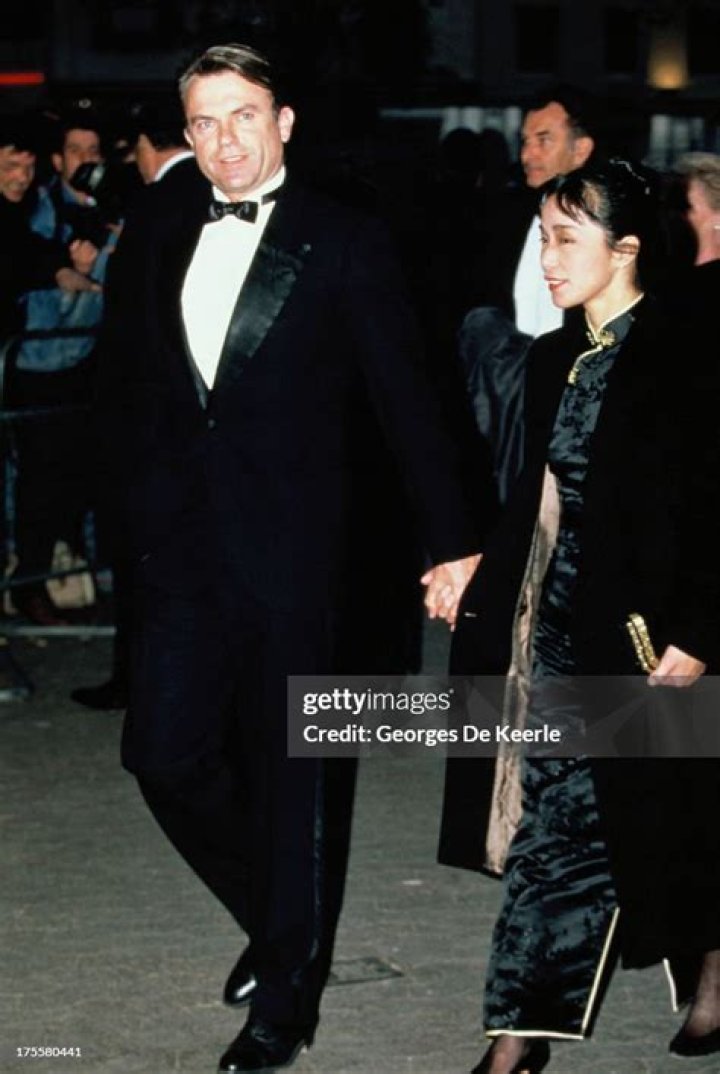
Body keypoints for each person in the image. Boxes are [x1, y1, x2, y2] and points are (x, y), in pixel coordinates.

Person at [96, 43, 483, 1073]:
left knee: (294, 778)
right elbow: (129, 377)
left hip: (304, 553)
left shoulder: (345, 236)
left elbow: (408, 397)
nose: (225, 140)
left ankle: (286, 998)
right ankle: (278, 920)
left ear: (285, 122)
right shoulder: (162, 218)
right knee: (161, 756)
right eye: (205, 121)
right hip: (181, 548)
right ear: (186, 134)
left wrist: (453, 543)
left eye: (244, 115)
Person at [439, 158, 720, 1072]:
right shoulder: (556, 355)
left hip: (646, 642)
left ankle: (698, 978)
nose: (547, 259)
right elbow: (533, 500)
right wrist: (476, 574)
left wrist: (701, 629)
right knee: (562, 833)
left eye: (566, 239)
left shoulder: (685, 350)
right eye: (542, 238)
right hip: (557, 636)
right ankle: (516, 1042)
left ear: (626, 248)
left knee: (664, 825)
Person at [71, 97, 204, 711]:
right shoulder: (209, 195)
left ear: (147, 147)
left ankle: (138, 680)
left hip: (142, 413)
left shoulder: (154, 205)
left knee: (141, 557)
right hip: (192, 408)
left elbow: (130, 318)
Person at [461, 86, 597, 503]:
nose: (527, 154)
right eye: (524, 141)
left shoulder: (606, 232)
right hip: (510, 409)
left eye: (543, 140)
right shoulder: (504, 218)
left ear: (580, 150)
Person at [8, 108, 117, 626]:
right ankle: (30, 585)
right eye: (75, 151)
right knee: (39, 481)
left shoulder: (110, 208)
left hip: (88, 361)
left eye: (93, 151)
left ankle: (72, 579)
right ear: (58, 159)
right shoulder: (40, 209)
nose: (85, 161)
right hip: (40, 362)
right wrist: (70, 271)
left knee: (81, 476)